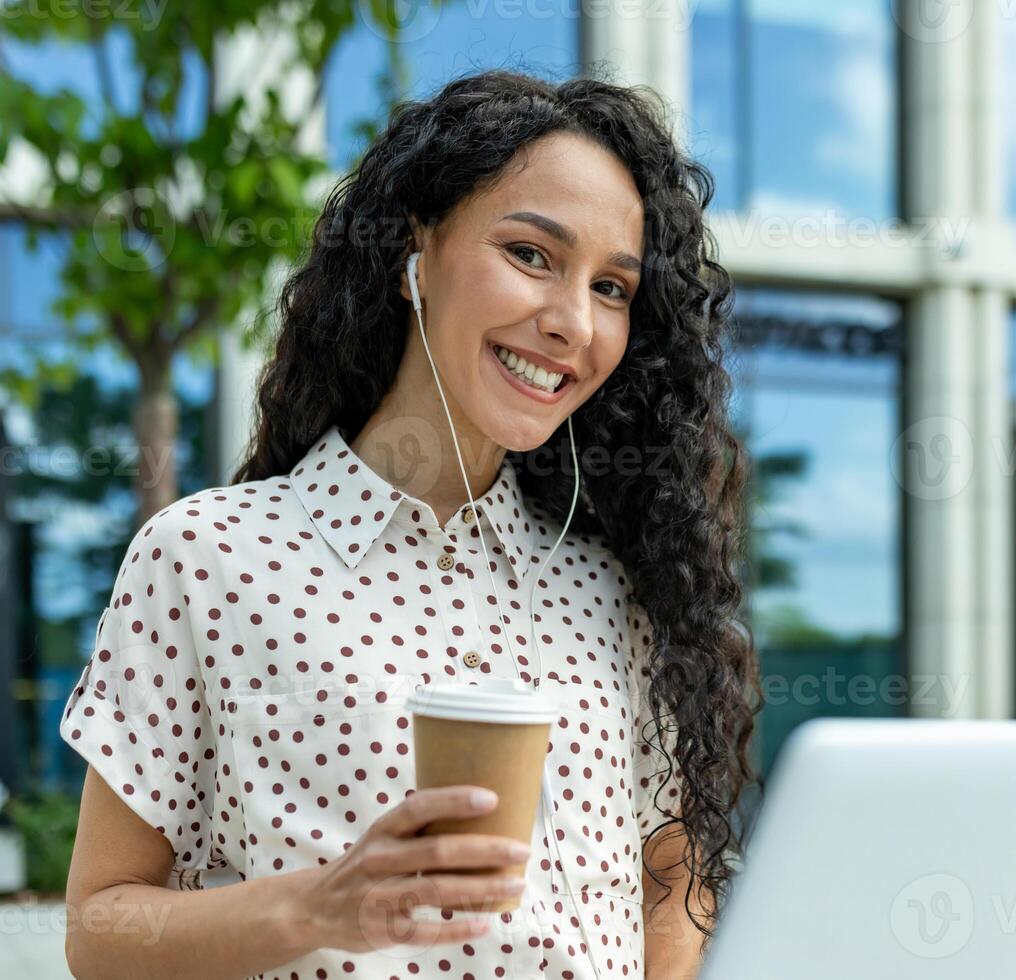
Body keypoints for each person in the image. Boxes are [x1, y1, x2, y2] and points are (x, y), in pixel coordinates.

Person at [59, 69, 759, 980]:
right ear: (413, 253)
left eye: (613, 288)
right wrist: (314, 906)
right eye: (532, 255)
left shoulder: (607, 590)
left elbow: (672, 873)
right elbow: (101, 930)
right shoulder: (210, 557)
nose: (572, 322)